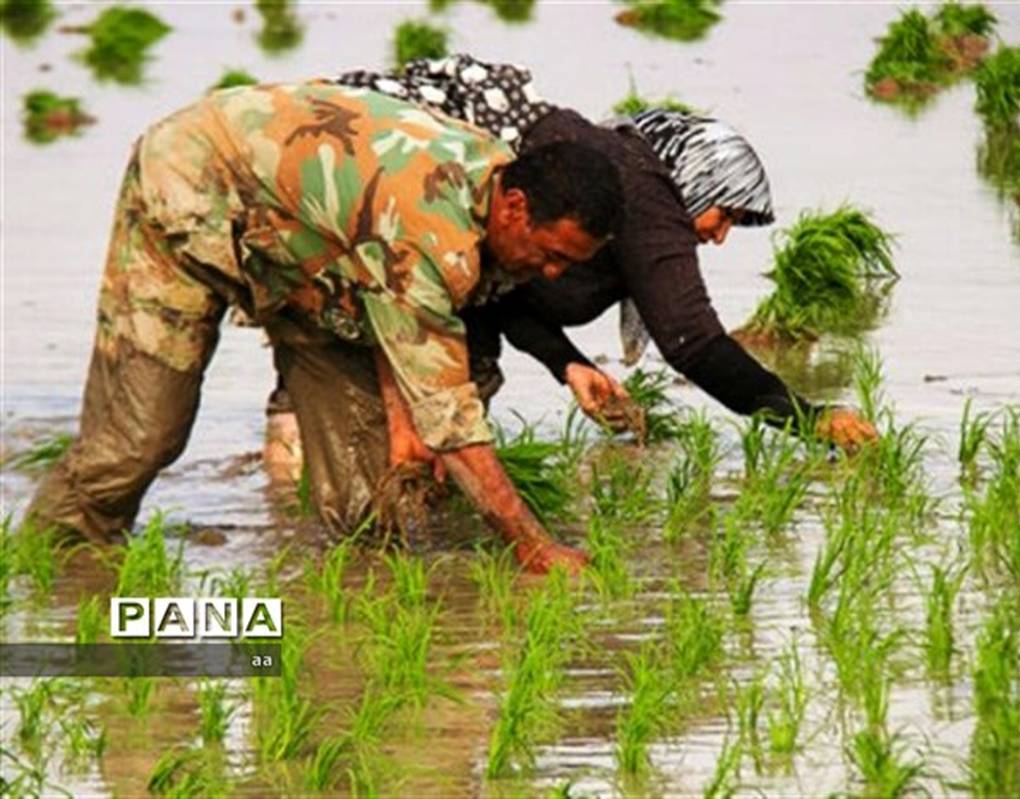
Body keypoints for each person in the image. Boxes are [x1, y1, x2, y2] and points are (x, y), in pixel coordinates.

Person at [24, 80, 623, 574]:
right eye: (551, 255)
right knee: (142, 436)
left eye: (568, 264)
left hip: (306, 246)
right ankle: (47, 577)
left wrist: (400, 417)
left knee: (368, 492)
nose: (550, 273)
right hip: (191, 185)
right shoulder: (433, 230)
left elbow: (392, 298)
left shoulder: (490, 183)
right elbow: (451, 419)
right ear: (514, 206)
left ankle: (340, 640)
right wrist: (532, 545)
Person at [332, 55, 878, 448]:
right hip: (379, 226)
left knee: (353, 394)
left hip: (361, 230)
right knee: (415, 410)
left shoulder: (607, 187)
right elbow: (694, 345)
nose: (719, 235)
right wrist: (808, 420)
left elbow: (501, 297)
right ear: (696, 180)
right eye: (726, 213)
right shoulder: (646, 196)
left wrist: (567, 364)